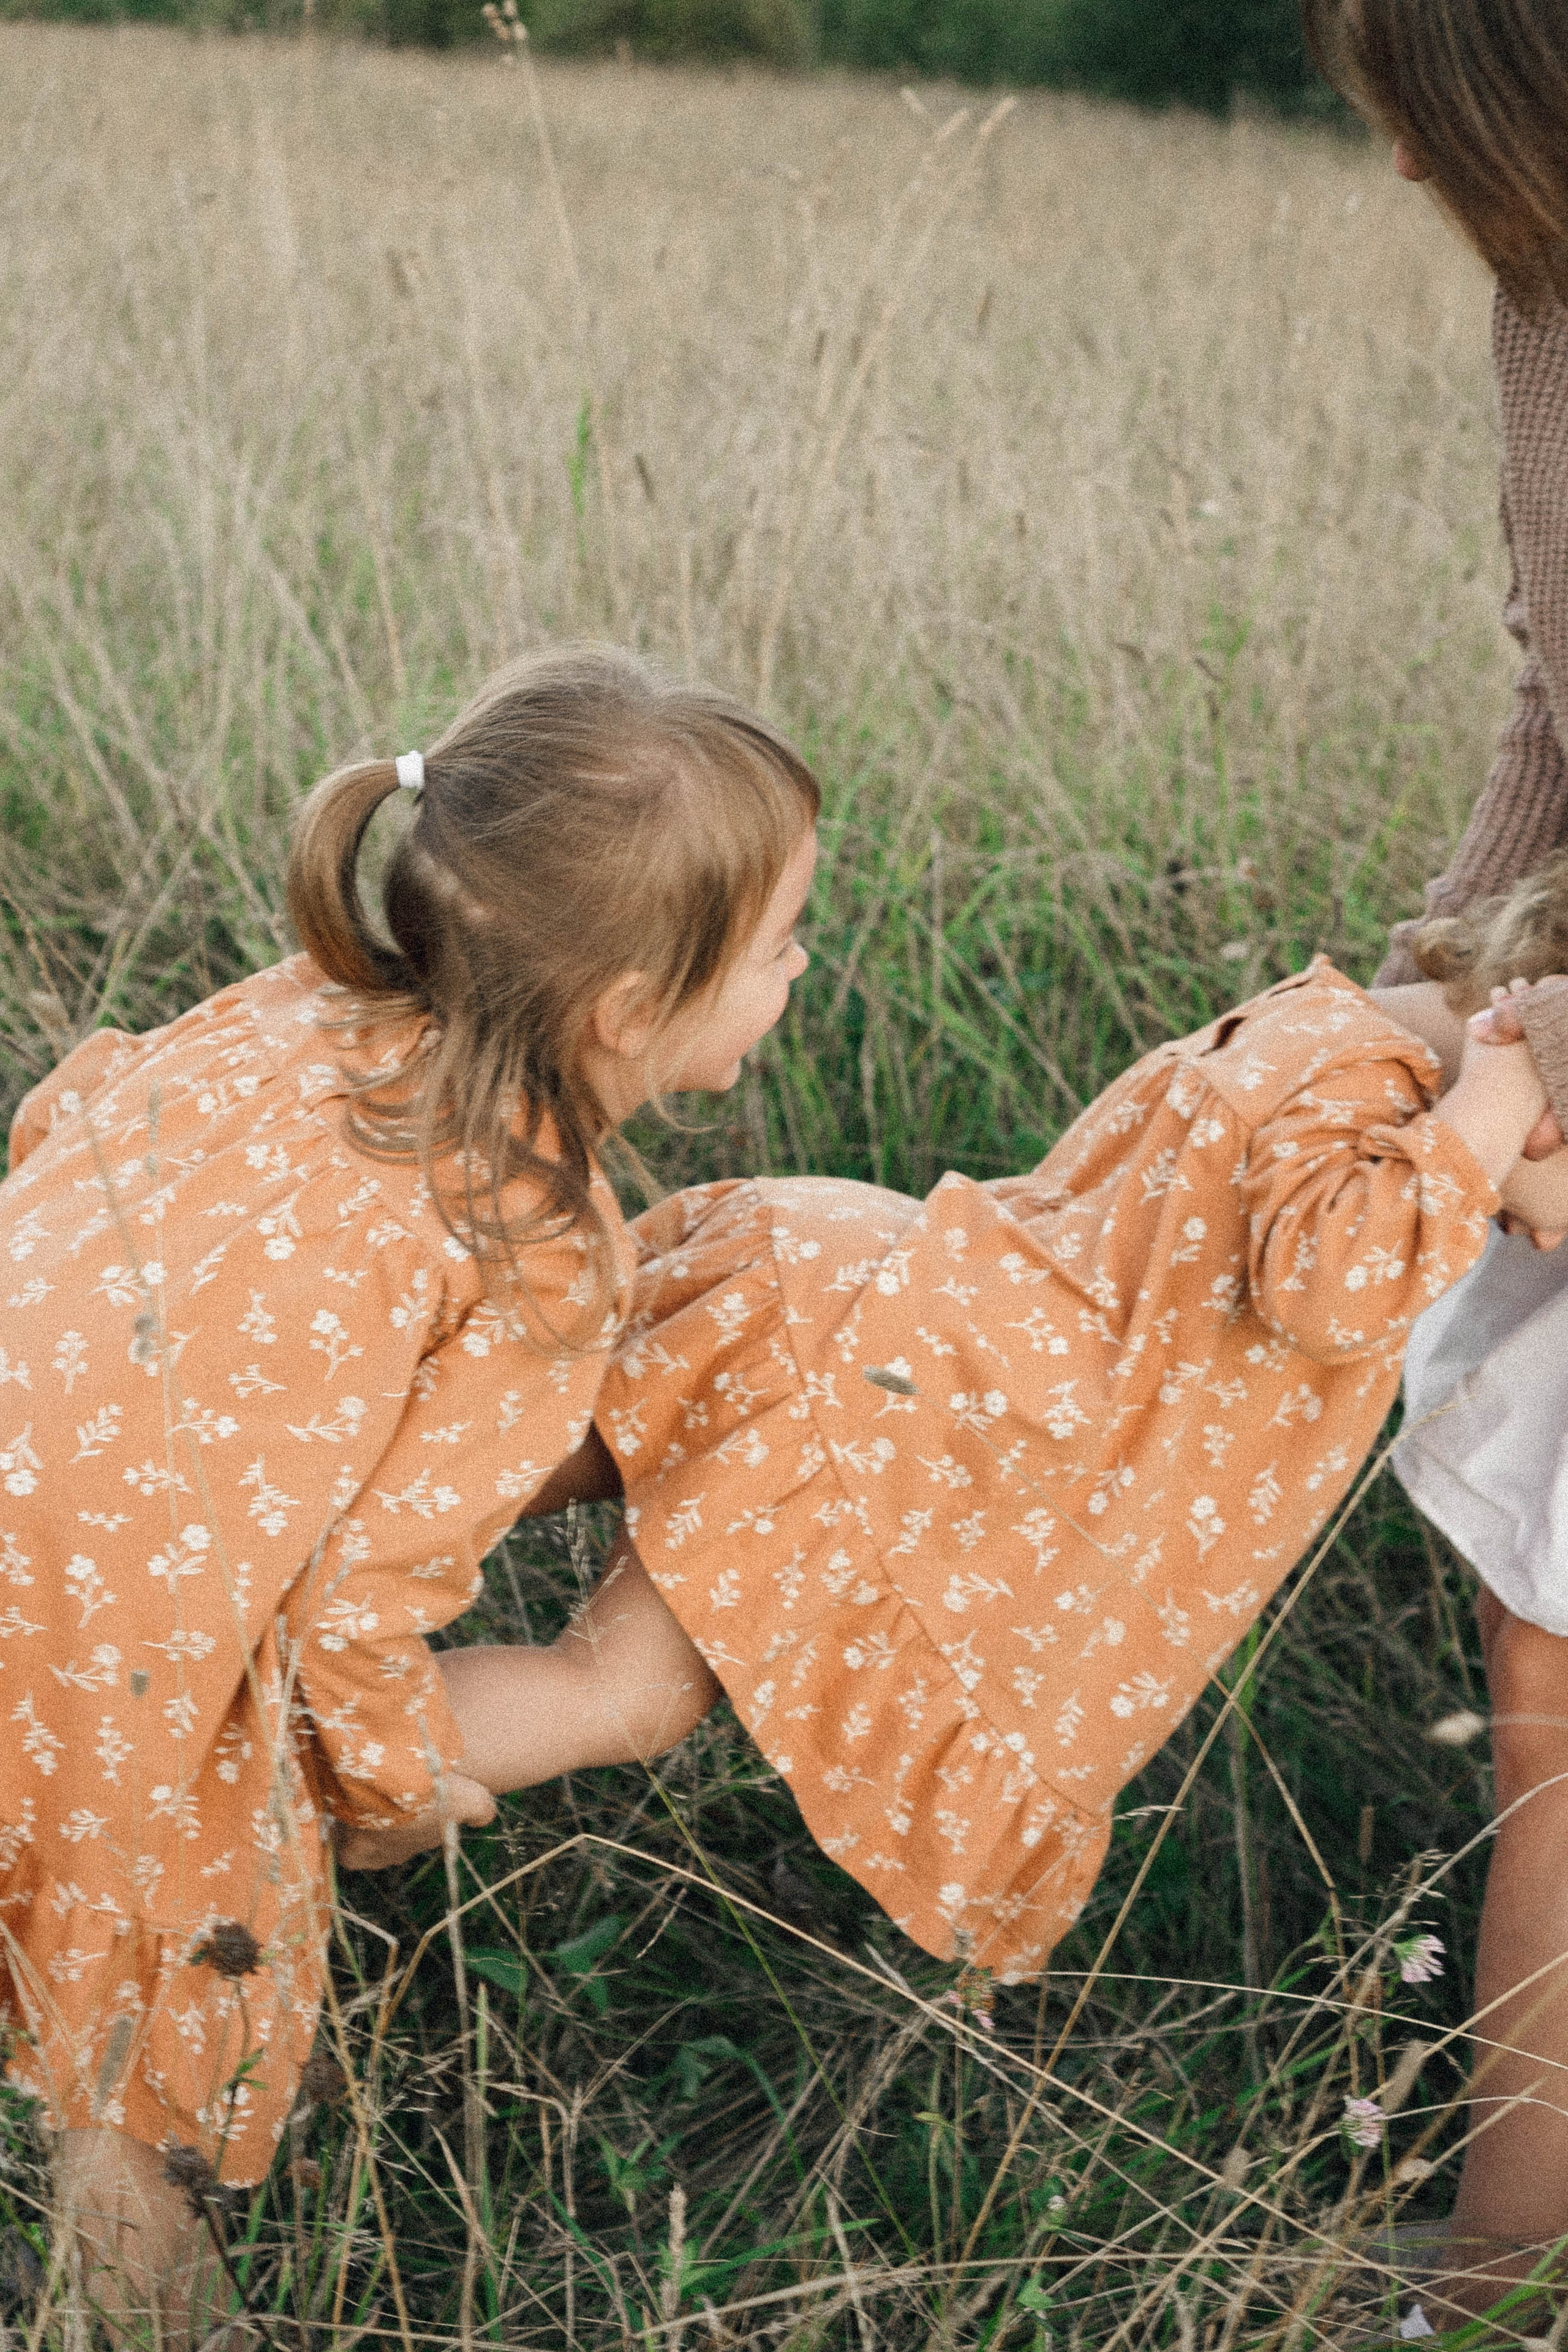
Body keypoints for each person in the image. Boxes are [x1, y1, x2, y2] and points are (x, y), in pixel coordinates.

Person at [0, 644, 818, 2340]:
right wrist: (381, 1790)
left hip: (29, 1481)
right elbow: (354, 1609)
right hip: (100, 1646)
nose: (803, 968)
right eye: (781, 944)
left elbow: (67, 1130)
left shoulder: (301, 1006)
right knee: (148, 2055)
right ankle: (139, 2311)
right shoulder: (532, 1240)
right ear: (628, 1014)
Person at [1304, 0, 1568, 2320]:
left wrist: (1529, 1058)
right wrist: (1416, 988)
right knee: (1543, 1671)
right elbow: (1553, 701)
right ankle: (1514, 2226)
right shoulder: (1543, 303)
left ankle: (1501, 2257)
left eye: (1431, 110)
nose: (1403, 167)